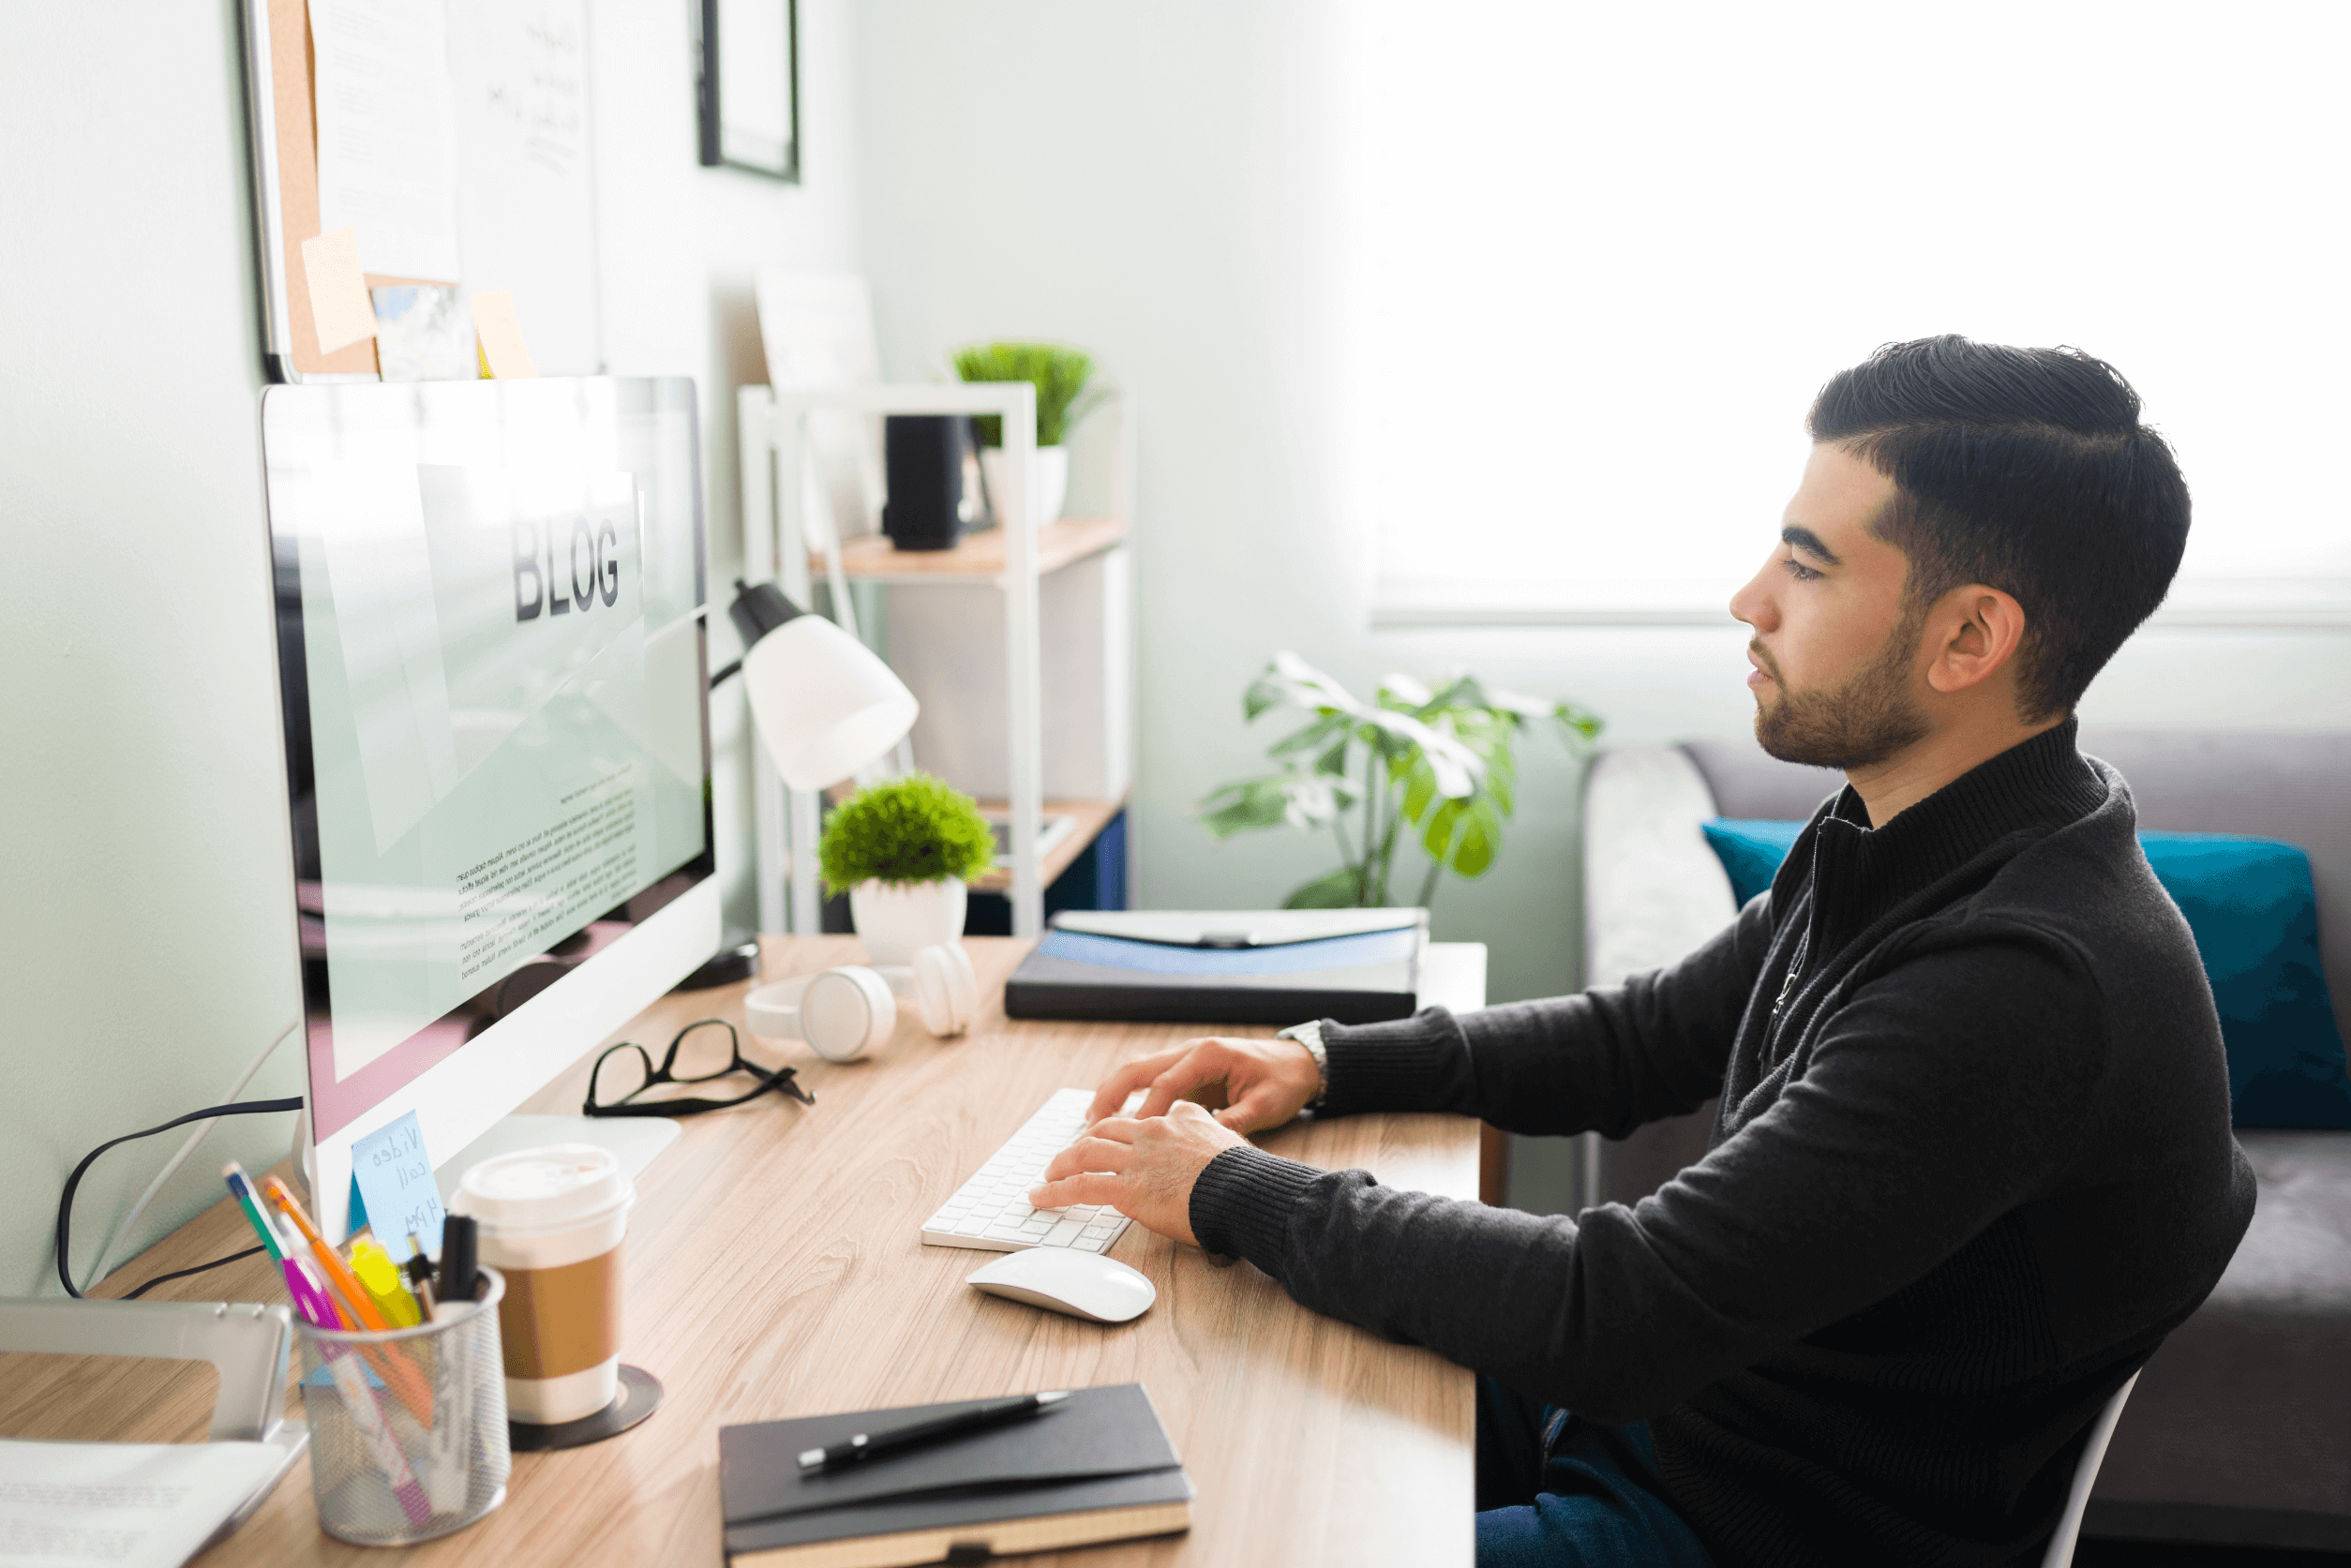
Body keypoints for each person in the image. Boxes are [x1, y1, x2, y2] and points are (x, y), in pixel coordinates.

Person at [1030, 336, 2256, 1565]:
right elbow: (1644, 1039)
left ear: (1969, 639)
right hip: (1663, 1425)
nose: (1750, 598)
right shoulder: (1906, 832)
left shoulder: (2023, 982)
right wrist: (1326, 1064)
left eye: (1808, 566)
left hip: (1732, 1523)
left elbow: (1614, 1310)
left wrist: (1228, 1187)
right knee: (1185, 1417)